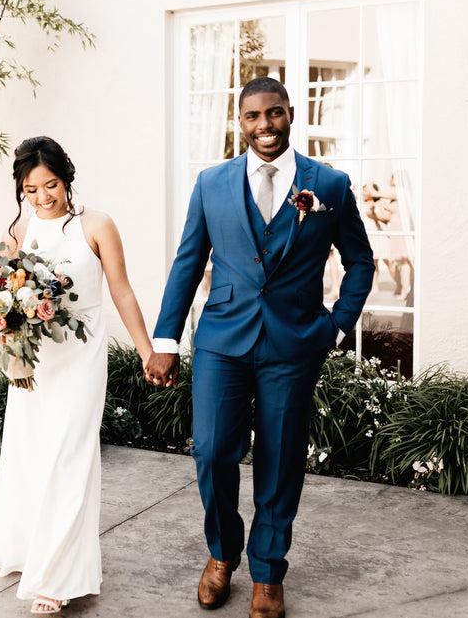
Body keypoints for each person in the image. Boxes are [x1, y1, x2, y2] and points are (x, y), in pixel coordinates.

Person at [145, 78, 374, 618]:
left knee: (279, 459)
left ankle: (268, 574)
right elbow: (187, 263)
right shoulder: (211, 183)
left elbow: (361, 261)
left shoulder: (331, 185)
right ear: (239, 121)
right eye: (252, 117)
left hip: (294, 344)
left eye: (274, 114)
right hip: (223, 338)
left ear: (291, 114)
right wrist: (165, 340)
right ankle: (223, 554)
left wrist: (337, 326)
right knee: (211, 451)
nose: (264, 126)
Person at [0, 136, 154, 615]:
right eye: (30, 189)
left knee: (69, 457)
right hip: (35, 361)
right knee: (29, 452)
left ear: (67, 179)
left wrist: (146, 351)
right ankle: (26, 551)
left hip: (80, 357)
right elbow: (2, 296)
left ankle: (58, 574)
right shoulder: (19, 227)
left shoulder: (95, 225)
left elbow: (120, 291)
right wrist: (11, 348)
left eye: (50, 185)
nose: (41, 198)